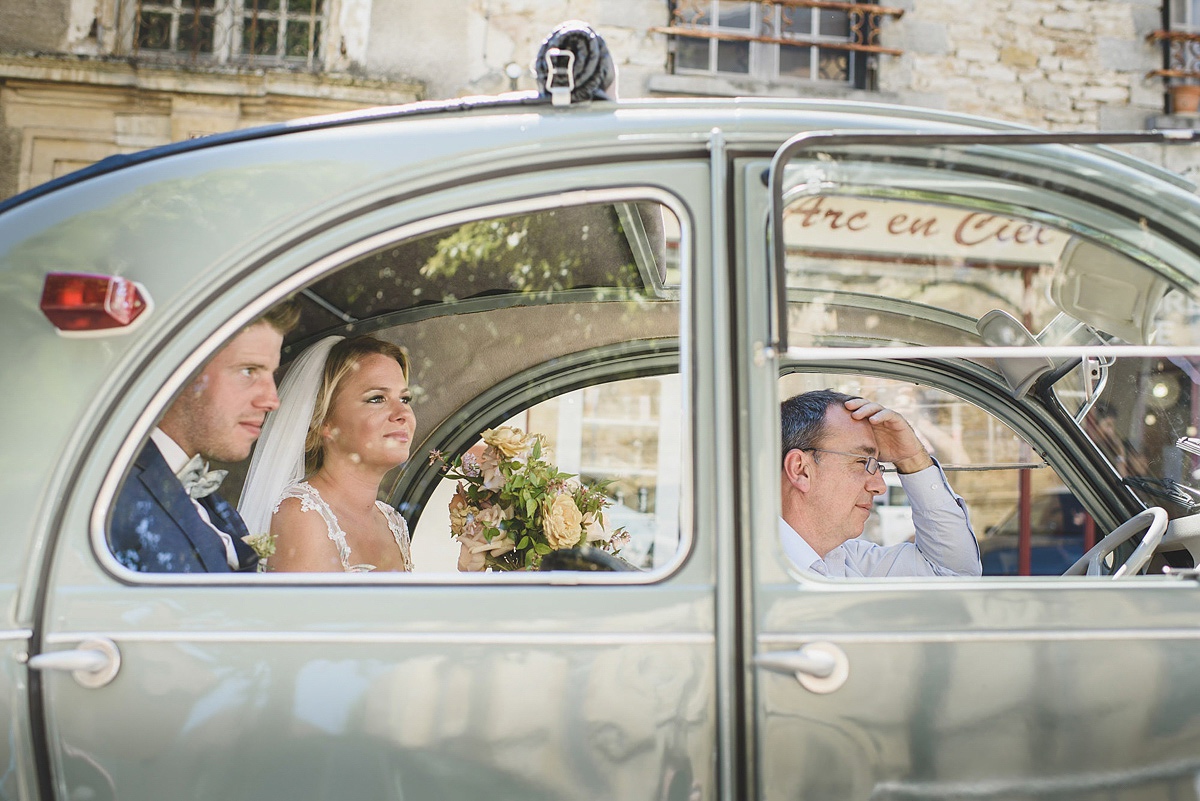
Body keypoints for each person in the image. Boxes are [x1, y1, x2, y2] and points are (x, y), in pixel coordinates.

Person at [108, 302, 299, 572]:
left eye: (271, 374)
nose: (272, 400)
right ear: (180, 372)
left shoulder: (212, 503)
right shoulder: (113, 498)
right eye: (248, 371)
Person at [238, 335, 414, 572]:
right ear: (323, 421)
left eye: (405, 398)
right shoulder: (302, 515)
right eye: (377, 399)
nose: (402, 413)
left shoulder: (392, 522)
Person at [780, 389, 981, 577]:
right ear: (800, 470)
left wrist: (911, 458)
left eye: (877, 465)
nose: (879, 487)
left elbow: (954, 572)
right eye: (861, 462)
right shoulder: (755, 570)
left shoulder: (848, 560)